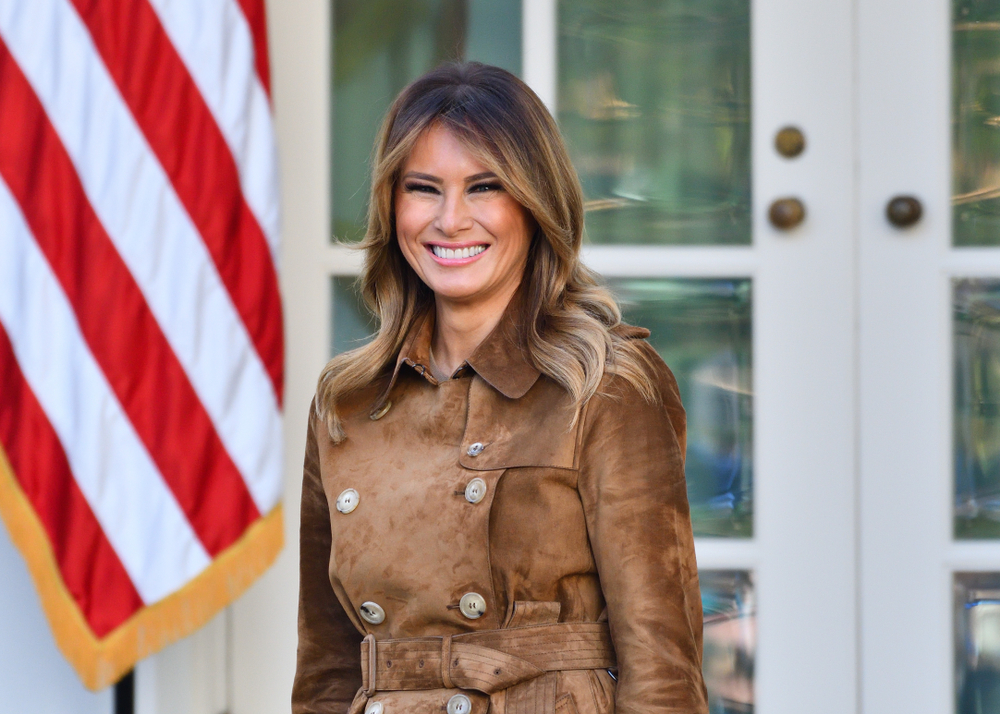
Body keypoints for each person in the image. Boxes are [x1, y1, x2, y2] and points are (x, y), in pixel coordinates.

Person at [292, 62, 708, 714]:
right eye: (423, 189)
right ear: (392, 207)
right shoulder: (347, 402)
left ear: (535, 203)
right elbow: (326, 669)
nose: (451, 219)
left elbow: (663, 672)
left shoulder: (606, 386)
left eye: (484, 187)